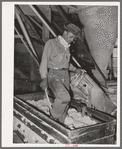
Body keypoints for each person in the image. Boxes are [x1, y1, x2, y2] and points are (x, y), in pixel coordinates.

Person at [39, 23, 82, 124]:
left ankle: (61, 124)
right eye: (71, 37)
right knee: (64, 97)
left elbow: (65, 63)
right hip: (54, 74)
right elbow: (44, 61)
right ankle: (52, 117)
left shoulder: (67, 47)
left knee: (66, 103)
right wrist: (44, 78)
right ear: (65, 32)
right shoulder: (51, 44)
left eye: (73, 38)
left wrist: (75, 69)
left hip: (65, 75)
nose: (72, 40)